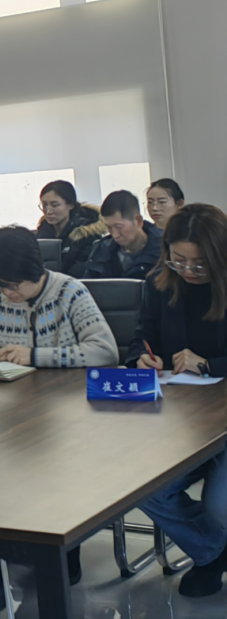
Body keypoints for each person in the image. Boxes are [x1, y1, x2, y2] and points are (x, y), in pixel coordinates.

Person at [128, 204, 227, 597]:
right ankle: (212, 551)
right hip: (183, 419)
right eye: (179, 259)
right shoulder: (159, 283)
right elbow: (143, 334)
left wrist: (211, 364)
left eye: (199, 263)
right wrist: (142, 356)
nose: (188, 270)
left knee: (220, 502)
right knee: (143, 487)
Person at [0, 226, 118, 368]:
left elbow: (105, 352)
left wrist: (35, 357)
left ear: (34, 269)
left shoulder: (70, 292)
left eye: (13, 285)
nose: (6, 293)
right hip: (14, 394)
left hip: (66, 393)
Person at [83, 190, 163, 280]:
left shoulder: (164, 250)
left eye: (119, 227)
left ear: (138, 221)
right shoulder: (102, 250)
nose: (115, 235)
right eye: (109, 227)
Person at [35, 180, 107, 277]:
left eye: (55, 205)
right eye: (44, 205)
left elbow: (82, 270)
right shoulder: (41, 233)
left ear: (70, 205)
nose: (48, 211)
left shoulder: (87, 235)